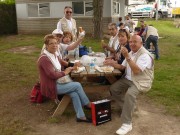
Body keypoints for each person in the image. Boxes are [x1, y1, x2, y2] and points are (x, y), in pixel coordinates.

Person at [104, 35, 154, 135]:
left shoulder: (145, 55)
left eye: (135, 42)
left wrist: (127, 56)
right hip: (128, 79)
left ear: (141, 43)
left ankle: (127, 124)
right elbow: (122, 67)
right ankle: (129, 107)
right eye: (130, 42)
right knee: (113, 89)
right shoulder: (132, 52)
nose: (131, 44)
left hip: (141, 81)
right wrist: (112, 63)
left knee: (130, 95)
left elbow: (136, 71)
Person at [38, 34, 92, 123]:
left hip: (58, 82)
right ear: (46, 45)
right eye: (51, 43)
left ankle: (81, 116)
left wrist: (73, 65)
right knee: (77, 85)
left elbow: (62, 62)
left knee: (74, 93)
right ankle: (88, 104)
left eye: (56, 43)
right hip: (51, 86)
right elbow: (52, 75)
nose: (55, 45)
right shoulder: (44, 59)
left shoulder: (54, 54)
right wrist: (65, 72)